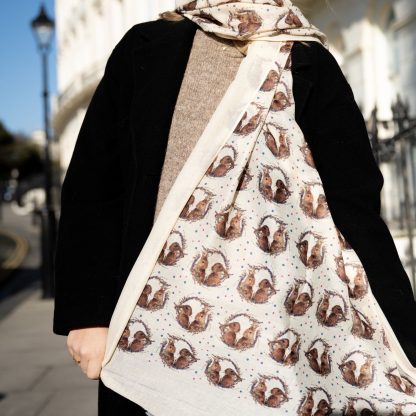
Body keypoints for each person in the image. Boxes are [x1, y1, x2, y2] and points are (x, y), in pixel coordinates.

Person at [53, 1, 416, 415]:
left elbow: (355, 208)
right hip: (147, 328)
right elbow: (96, 187)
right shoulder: (147, 48)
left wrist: (403, 336)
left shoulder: (309, 58)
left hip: (282, 334)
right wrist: (88, 315)